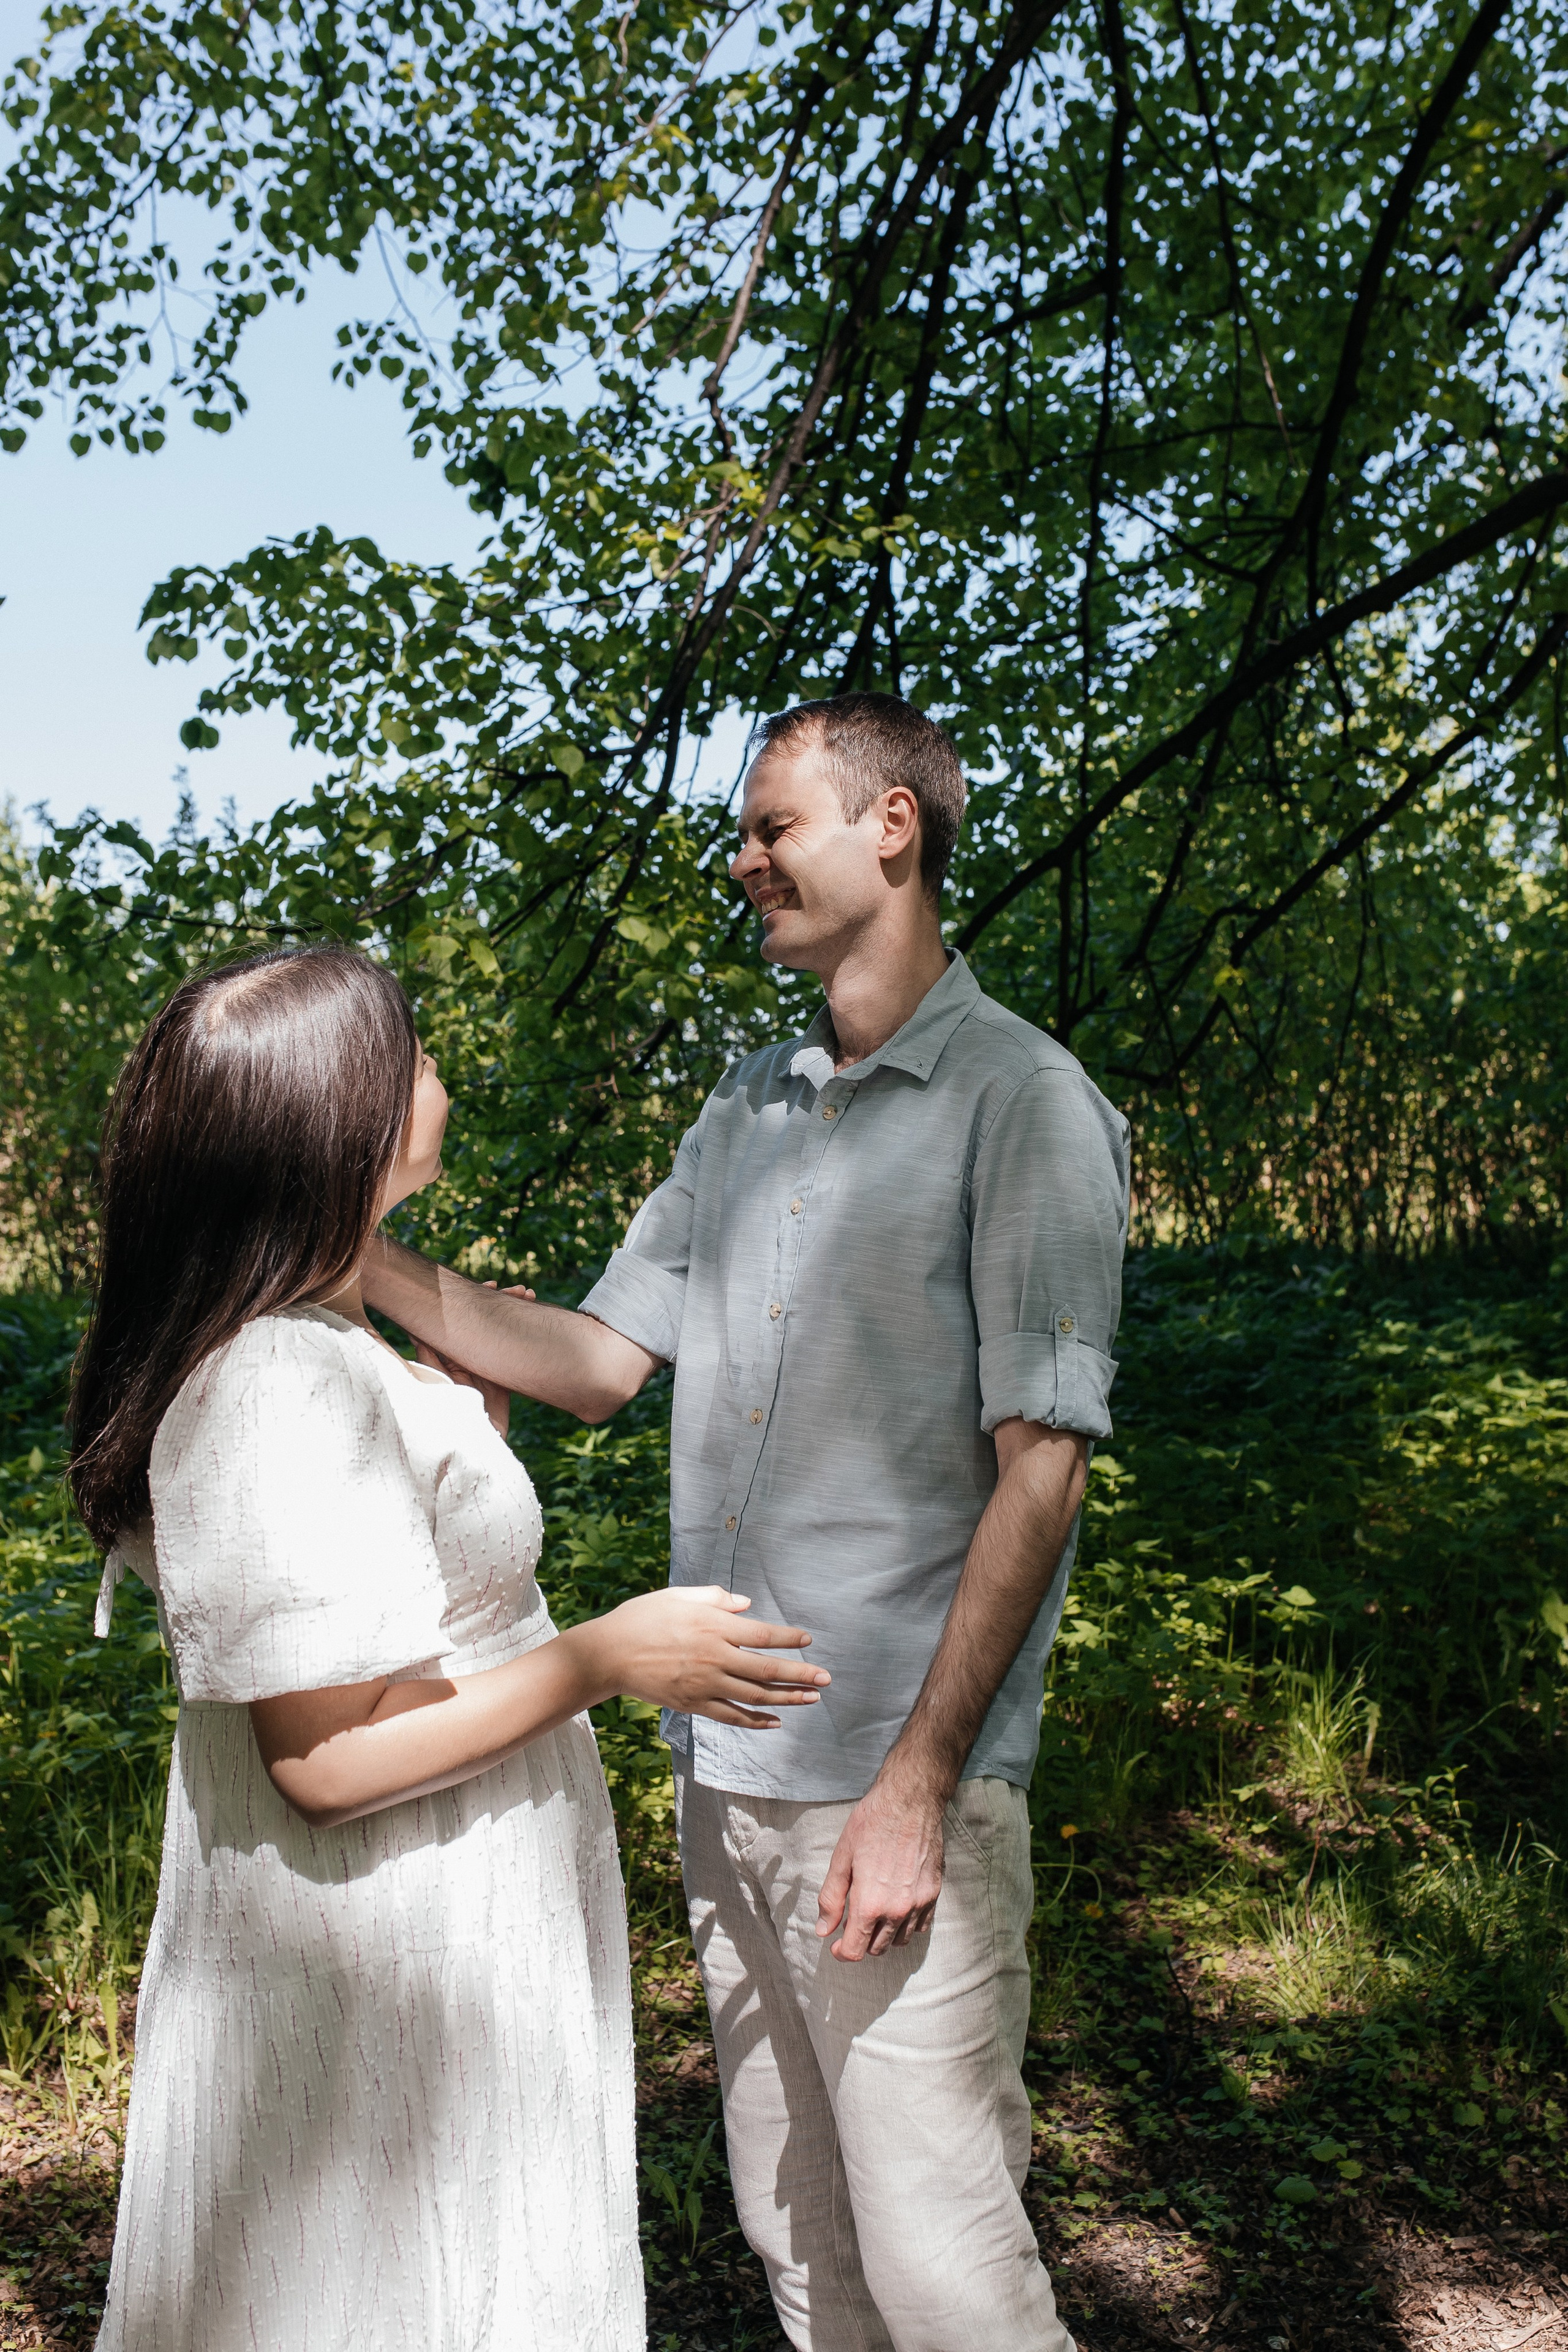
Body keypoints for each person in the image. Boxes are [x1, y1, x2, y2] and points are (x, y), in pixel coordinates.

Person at [364, 694, 1131, 2352]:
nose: (744, 861)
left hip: (890, 1778)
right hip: (726, 1769)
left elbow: (1044, 1471)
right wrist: (346, 1254)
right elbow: (593, 1362)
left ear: (894, 828)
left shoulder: (1028, 1104)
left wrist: (920, 1786)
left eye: (773, 827)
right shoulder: (746, 1107)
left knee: (949, 2274)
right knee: (801, 2242)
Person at [70, 943, 828, 2352]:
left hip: (455, 1923)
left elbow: (389, 1606)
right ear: (333, 1120)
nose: (434, 1072)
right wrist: (605, 1657)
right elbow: (327, 1757)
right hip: (381, 1942)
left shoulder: (323, 1344)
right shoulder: (276, 1378)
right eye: (407, 1056)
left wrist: (454, 1445)